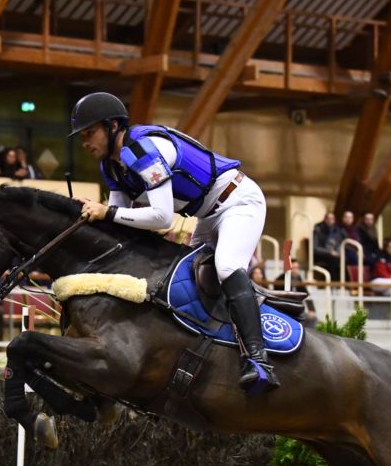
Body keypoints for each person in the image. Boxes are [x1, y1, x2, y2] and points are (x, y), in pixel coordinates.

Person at [69, 91, 279, 392]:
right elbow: (119, 219)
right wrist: (90, 214)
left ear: (112, 126)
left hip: (238, 202)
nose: (85, 142)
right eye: (82, 136)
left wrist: (107, 212)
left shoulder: (143, 150)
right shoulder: (111, 166)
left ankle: (259, 360)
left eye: (89, 133)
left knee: (226, 267)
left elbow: (162, 218)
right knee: (183, 281)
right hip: (206, 216)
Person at [312, 211, 345, 280]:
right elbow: (315, 248)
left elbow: (339, 243)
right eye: (328, 218)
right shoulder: (318, 229)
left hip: (335, 253)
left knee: (345, 258)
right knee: (333, 260)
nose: (330, 220)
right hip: (321, 254)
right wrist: (329, 252)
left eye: (332, 219)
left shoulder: (337, 230)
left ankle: (343, 283)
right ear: (325, 219)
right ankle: (333, 282)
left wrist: (338, 252)